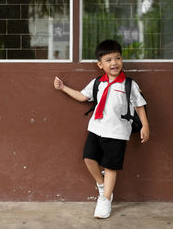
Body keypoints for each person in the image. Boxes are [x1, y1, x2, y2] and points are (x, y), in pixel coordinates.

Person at [53, 39, 149, 219]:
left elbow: (139, 106)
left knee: (111, 166)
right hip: (96, 129)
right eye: (109, 60)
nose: (114, 63)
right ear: (100, 64)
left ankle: (105, 200)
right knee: (88, 158)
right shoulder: (98, 82)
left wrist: (145, 125)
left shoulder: (129, 84)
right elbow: (83, 97)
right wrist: (64, 88)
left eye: (118, 58)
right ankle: (102, 184)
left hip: (118, 132)